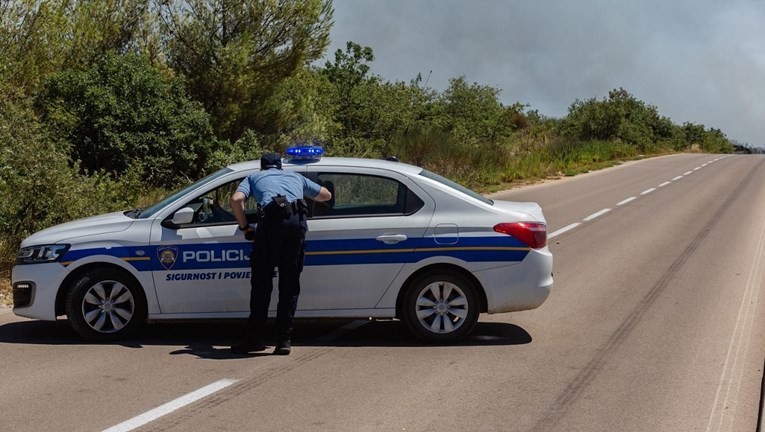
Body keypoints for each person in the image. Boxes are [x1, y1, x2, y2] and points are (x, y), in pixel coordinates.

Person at [230, 152, 331, 355]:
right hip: (295, 225)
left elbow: (236, 199)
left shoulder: (253, 177)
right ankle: (284, 341)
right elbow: (326, 195)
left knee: (262, 285)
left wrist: (244, 227)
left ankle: (255, 340)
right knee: (289, 285)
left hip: (270, 227)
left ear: (262, 167)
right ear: (280, 167)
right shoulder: (294, 176)